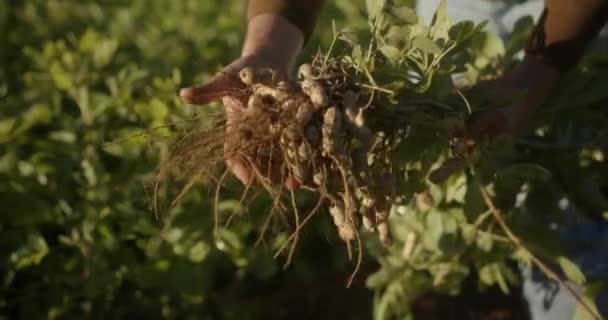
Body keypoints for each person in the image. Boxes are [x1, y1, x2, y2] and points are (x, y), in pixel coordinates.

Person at [179, 1, 608, 318]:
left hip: (579, 19)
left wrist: (536, 75)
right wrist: (268, 47)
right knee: (528, 205)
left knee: (575, 221)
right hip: (459, 12)